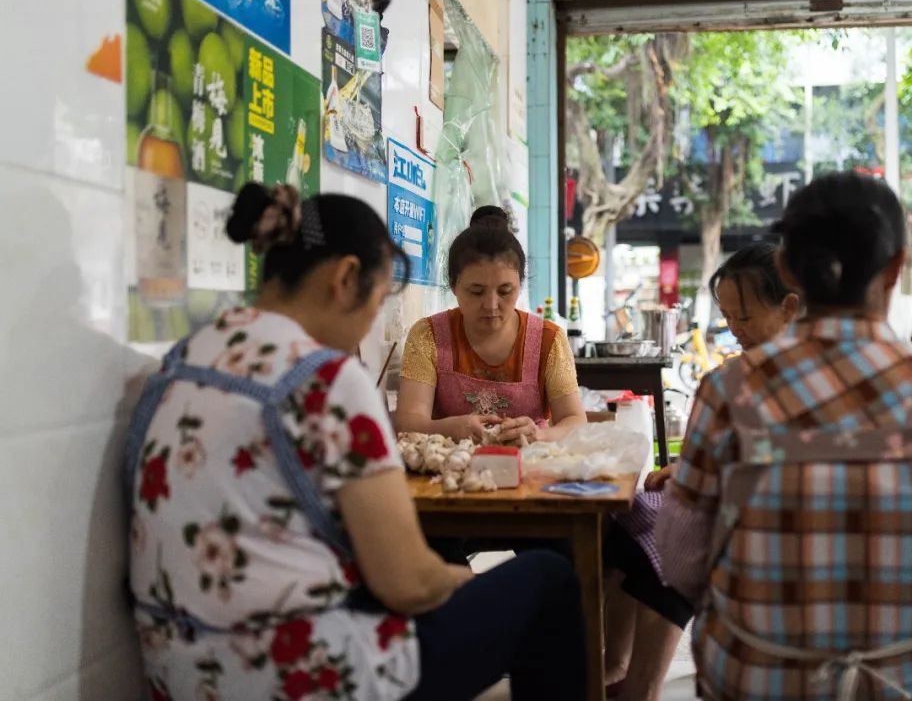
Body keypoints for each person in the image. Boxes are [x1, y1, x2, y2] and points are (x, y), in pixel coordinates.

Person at [124, 184, 586, 701]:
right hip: (296, 676)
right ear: (346, 278)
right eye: (379, 295)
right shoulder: (327, 379)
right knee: (547, 580)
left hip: (177, 671)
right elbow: (406, 582)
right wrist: (458, 582)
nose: (371, 321)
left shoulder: (182, 358)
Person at [656, 171, 912, 701]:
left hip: (757, 679)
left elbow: (681, 563)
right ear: (898, 266)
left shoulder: (728, 392)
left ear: (786, 267)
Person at [603, 242, 799, 701]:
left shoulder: (729, 384)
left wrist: (695, 480)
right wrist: (687, 472)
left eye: (745, 317)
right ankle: (619, 667)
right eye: (728, 316)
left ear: (790, 307)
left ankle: (634, 683)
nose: (734, 328)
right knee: (628, 522)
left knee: (664, 538)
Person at [396, 205, 587, 444]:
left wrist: (539, 435)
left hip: (530, 469)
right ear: (454, 286)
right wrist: (451, 428)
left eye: (505, 291)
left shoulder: (549, 341)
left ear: (520, 285)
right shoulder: (428, 336)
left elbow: (575, 421)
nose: (491, 305)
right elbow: (407, 423)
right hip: (447, 472)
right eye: (476, 291)